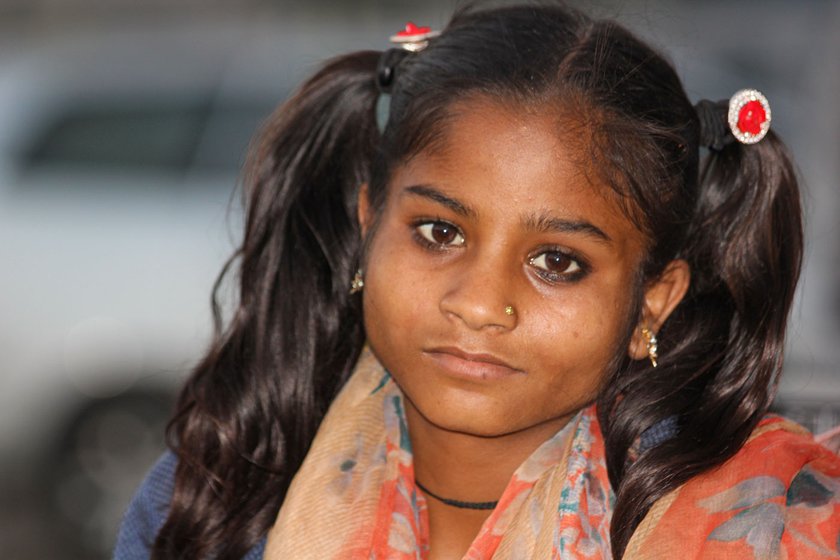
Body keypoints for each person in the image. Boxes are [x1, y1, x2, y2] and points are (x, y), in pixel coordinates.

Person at [114, 3, 840, 559]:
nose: (480, 303)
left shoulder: (766, 524)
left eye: (558, 261)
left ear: (654, 299)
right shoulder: (218, 501)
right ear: (370, 222)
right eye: (440, 232)